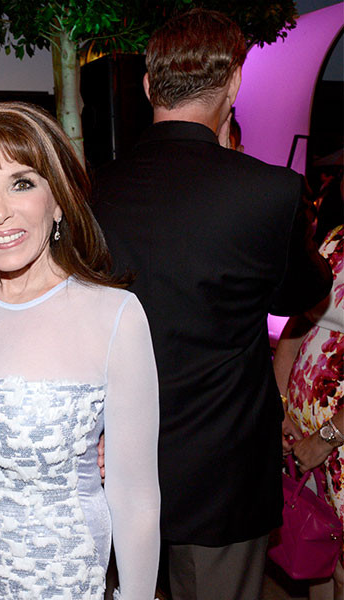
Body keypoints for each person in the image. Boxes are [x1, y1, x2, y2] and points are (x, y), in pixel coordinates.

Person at [91, 9, 333, 600]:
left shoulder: (93, 190)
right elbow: (303, 293)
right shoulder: (268, 191)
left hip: (111, 460)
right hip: (222, 470)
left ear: (148, 85)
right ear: (234, 83)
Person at [0, 101, 161, 599]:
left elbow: (136, 500)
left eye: (21, 183)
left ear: (59, 200)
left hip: (56, 584)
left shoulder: (114, 316)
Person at [274, 223, 344, 600]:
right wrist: (281, 405)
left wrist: (326, 438)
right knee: (319, 552)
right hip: (306, 438)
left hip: (335, 441)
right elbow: (299, 320)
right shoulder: (337, 239)